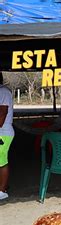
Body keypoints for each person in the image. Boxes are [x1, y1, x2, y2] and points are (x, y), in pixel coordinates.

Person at [0, 72, 15, 200]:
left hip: (3, 132)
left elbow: (2, 114)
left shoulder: (3, 92)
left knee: (2, 161)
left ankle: (2, 191)